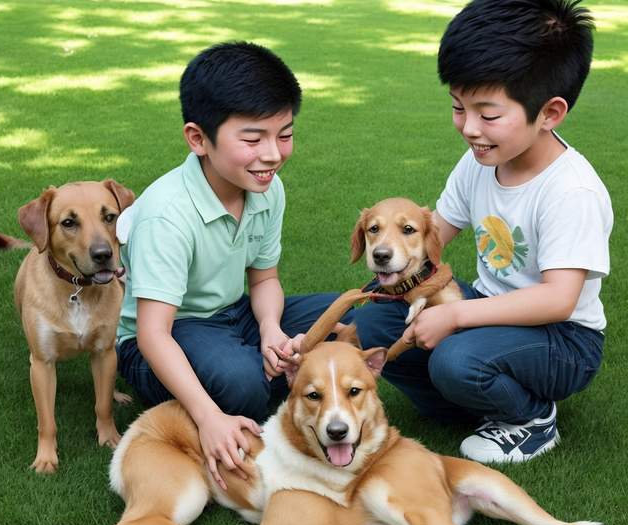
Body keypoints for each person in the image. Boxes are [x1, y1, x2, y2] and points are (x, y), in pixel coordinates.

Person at [355, 0, 613, 464]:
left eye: (488, 114)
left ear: (550, 113)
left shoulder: (570, 190)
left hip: (563, 339)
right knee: (376, 318)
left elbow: (559, 300)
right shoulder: (480, 162)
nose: (469, 128)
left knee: (455, 359)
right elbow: (432, 238)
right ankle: (472, 405)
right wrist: (377, 281)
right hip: (488, 307)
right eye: (459, 108)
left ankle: (532, 418)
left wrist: (453, 318)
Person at [115, 42, 345, 488]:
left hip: (233, 315)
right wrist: (208, 418)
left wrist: (271, 330)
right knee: (242, 383)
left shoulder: (266, 187)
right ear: (198, 138)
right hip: (166, 336)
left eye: (285, 134)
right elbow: (151, 334)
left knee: (348, 319)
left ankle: (282, 375)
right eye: (253, 138)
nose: (273, 154)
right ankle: (262, 388)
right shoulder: (167, 214)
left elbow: (265, 279)